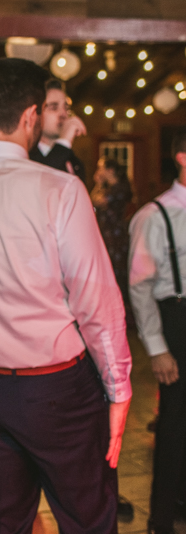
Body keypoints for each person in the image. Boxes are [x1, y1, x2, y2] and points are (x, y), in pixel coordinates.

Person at [0, 58, 132, 534]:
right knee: (88, 516)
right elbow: (96, 301)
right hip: (56, 390)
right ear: (32, 115)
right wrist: (118, 388)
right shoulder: (60, 189)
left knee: (2, 522)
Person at [129, 133, 186, 534]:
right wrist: (157, 347)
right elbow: (140, 285)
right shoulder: (156, 214)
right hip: (178, 321)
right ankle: (161, 519)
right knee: (174, 427)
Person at [92, 158, 133, 316]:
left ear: (110, 170)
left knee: (115, 271)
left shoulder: (119, 188)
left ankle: (119, 311)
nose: (99, 171)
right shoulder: (110, 188)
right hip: (106, 234)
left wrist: (99, 184)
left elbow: (96, 201)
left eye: (101, 168)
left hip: (115, 237)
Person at [29, 79, 87, 183]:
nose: (63, 114)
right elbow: (40, 184)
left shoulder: (75, 163)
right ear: (35, 114)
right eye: (53, 107)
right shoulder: (27, 157)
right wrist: (63, 142)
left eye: (66, 107)